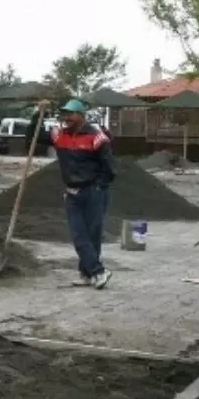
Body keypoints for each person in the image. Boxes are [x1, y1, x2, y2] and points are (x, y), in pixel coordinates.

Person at [29, 99, 116, 289]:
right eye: (65, 114)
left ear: (81, 116)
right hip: (72, 192)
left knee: (92, 234)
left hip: (94, 191)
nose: (66, 118)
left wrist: (100, 186)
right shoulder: (60, 135)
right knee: (79, 235)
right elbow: (34, 136)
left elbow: (109, 167)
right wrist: (38, 114)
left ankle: (88, 274)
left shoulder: (97, 137)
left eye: (70, 114)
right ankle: (98, 272)